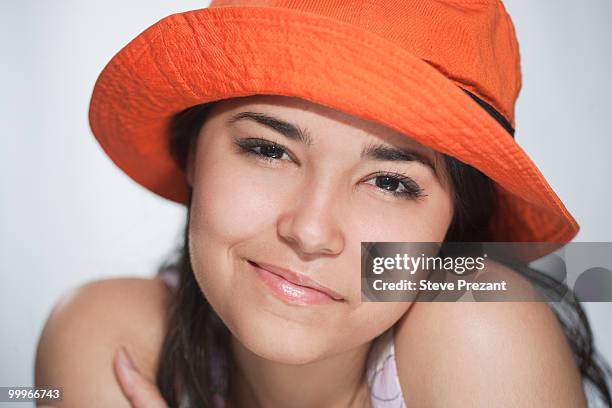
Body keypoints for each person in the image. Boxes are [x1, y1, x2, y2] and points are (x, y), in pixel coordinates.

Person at [34, 1, 611, 407]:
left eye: (391, 182)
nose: (310, 231)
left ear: (452, 223)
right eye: (268, 149)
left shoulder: (479, 319)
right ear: (192, 153)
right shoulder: (109, 339)